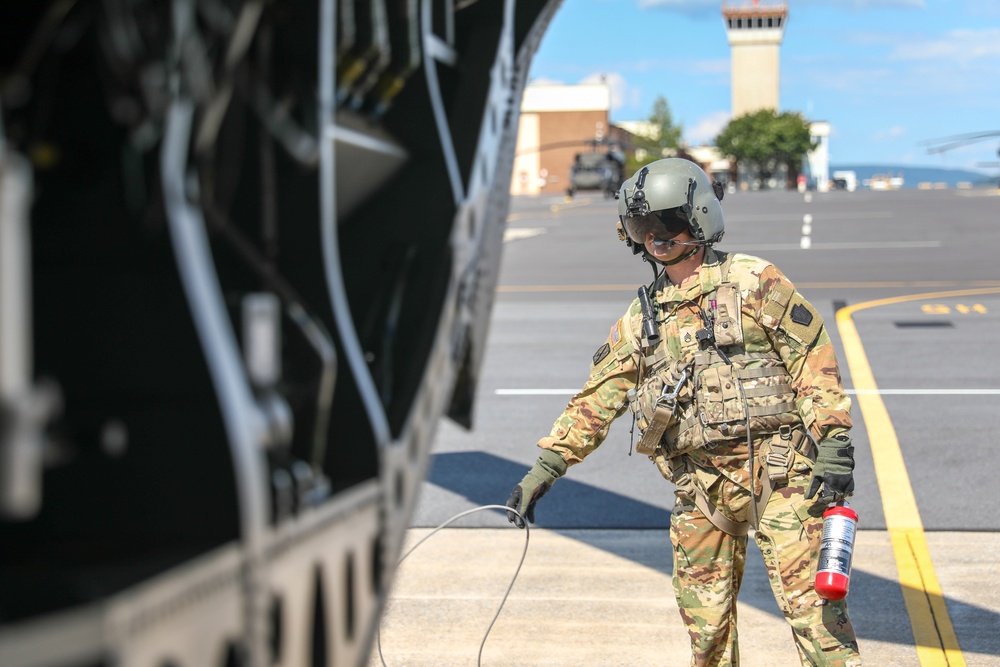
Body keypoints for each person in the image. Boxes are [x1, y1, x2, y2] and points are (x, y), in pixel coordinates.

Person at [505, 158, 861, 666]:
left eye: (668, 224)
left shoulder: (753, 281)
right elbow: (598, 397)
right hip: (701, 488)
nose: (656, 238)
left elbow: (812, 359)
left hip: (782, 476)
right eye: (642, 227)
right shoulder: (643, 318)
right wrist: (548, 466)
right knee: (706, 632)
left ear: (698, 220)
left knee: (818, 624)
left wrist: (833, 443)